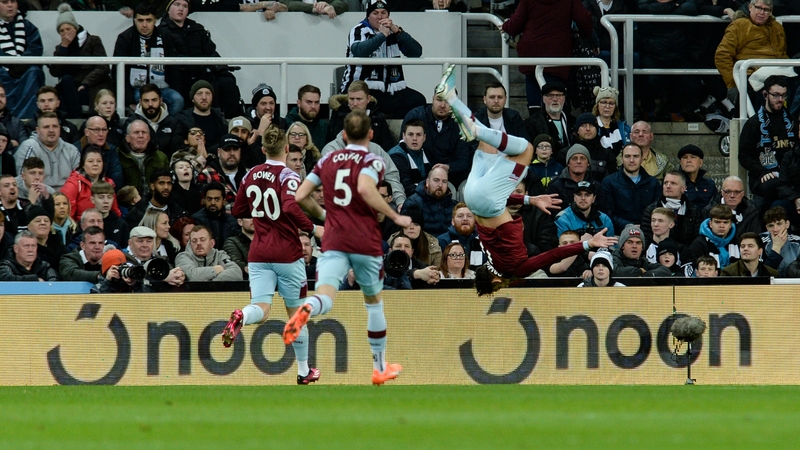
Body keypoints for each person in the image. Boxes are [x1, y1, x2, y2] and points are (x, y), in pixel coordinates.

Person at [433, 65, 617, 295]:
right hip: (473, 199)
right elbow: (500, 201)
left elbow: (552, 255)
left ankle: (474, 127)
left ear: (496, 281)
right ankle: (451, 97)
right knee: (488, 143)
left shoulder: (514, 270)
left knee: (526, 149)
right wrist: (530, 199)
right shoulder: (488, 256)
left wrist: (588, 244)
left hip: (488, 202)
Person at [284, 110, 412, 385]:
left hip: (334, 237)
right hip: (364, 239)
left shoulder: (327, 160)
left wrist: (324, 216)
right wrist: (394, 215)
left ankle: (307, 308)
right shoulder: (373, 160)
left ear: (343, 135)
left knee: (326, 297)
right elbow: (365, 188)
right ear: (371, 134)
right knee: (374, 304)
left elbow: (300, 195)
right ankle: (379, 368)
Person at [222, 126, 324, 385]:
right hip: (287, 253)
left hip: (258, 252)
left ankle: (242, 316)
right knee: (297, 315)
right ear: (287, 148)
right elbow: (289, 206)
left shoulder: (250, 174)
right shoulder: (289, 176)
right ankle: (303, 371)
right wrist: (313, 228)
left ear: (263, 149)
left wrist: (261, 214)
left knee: (261, 308)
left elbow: (237, 210)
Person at [341, 0, 426, 119]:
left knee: (418, 101)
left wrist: (398, 32)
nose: (380, 17)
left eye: (383, 13)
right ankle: (382, 118)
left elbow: (416, 52)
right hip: (362, 88)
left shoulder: (394, 32)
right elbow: (359, 51)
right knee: (369, 104)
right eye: (375, 13)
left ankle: (389, 121)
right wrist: (382, 36)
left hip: (390, 89)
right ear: (368, 15)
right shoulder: (359, 30)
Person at [500, 0, 592, 111]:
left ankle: (535, 118)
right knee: (555, 94)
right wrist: (586, 36)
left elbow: (516, 23)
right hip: (558, 52)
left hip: (532, 51)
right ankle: (555, 118)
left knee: (533, 92)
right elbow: (584, 19)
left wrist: (506, 26)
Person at [157, 0, 242, 119]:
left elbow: (211, 51)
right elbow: (171, 56)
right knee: (204, 85)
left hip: (203, 71)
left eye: (185, 6)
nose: (181, 9)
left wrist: (221, 68)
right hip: (179, 75)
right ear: (168, 8)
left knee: (227, 82)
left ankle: (230, 121)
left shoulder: (197, 28)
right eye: (177, 5)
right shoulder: (161, 31)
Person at [113, 3, 185, 115]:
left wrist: (176, 89)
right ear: (134, 20)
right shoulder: (125, 38)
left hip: (162, 87)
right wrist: (129, 100)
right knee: (143, 102)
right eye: (140, 20)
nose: (144, 25)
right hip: (137, 89)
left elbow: (174, 68)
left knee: (178, 100)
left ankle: (164, 123)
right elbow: (117, 71)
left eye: (149, 20)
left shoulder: (166, 36)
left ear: (155, 20)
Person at [739, 75, 797, 211]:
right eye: (775, 95)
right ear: (765, 94)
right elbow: (744, 156)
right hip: (764, 174)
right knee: (771, 185)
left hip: (789, 174)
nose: (780, 99)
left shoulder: (792, 121)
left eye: (783, 95)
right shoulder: (753, 123)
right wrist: (761, 171)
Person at [715, 0, 787, 109]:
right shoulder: (739, 25)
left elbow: (783, 54)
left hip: (778, 72)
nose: (762, 12)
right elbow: (722, 56)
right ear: (750, 7)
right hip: (751, 74)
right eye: (758, 8)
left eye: (766, 10)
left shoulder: (777, 27)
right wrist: (732, 84)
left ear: (771, 11)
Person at [47, 4, 112, 119]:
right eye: (62, 31)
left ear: (75, 28)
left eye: (68, 29)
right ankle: (76, 119)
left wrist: (85, 83)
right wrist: (64, 48)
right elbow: (54, 72)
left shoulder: (93, 40)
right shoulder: (60, 48)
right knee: (66, 81)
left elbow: (103, 67)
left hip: (93, 83)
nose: (65, 33)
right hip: (71, 85)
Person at [403, 88, 473, 188]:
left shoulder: (461, 123)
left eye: (448, 101)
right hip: (417, 176)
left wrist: (448, 167)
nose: (443, 105)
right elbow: (403, 148)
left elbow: (463, 159)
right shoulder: (415, 116)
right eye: (439, 100)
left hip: (449, 178)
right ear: (433, 99)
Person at [598, 143, 661, 232]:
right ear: (622, 158)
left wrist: (644, 227)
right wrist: (630, 226)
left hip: (648, 232)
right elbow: (607, 213)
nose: (631, 160)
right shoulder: (609, 182)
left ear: (642, 159)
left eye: (635, 156)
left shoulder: (653, 183)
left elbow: (657, 211)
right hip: (619, 233)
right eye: (627, 156)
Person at [0, 0, 44, 120]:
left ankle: (28, 119)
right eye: (5, 2)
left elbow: (35, 48)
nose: (10, 5)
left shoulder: (28, 27)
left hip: (25, 70)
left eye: (13, 1)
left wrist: (21, 65)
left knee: (34, 72)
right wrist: (12, 63)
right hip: (3, 70)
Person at [15, 112, 80, 191]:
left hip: (68, 195)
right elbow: (24, 181)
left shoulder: (71, 150)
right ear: (38, 130)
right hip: (39, 195)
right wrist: (51, 195)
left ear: (60, 128)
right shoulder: (29, 147)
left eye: (55, 126)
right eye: (46, 127)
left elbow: (80, 179)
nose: (51, 130)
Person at [640, 170, 703, 247]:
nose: (668, 186)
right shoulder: (651, 210)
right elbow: (646, 237)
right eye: (665, 183)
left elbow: (696, 239)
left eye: (673, 183)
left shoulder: (693, 211)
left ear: (683, 188)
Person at [328, 80, 394, 152]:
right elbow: (332, 142)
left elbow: (387, 144)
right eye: (351, 99)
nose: (355, 103)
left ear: (368, 99)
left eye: (359, 99)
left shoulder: (378, 117)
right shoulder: (339, 115)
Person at [61, 145, 121, 221]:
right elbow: (67, 216)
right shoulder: (73, 184)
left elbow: (115, 212)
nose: (95, 164)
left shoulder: (108, 183)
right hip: (81, 225)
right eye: (90, 161)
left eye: (99, 161)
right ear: (83, 165)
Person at [126, 84, 186, 158]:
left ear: (160, 100)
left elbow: (178, 152)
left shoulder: (174, 124)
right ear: (140, 102)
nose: (150, 104)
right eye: (146, 101)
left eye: (154, 100)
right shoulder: (131, 123)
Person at [556, 112, 616, 182]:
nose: (588, 129)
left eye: (591, 125)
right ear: (577, 130)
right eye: (583, 125)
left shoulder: (607, 154)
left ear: (596, 129)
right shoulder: (565, 154)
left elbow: (611, 181)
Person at [400, 166, 457, 237]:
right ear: (427, 182)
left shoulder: (454, 205)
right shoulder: (413, 203)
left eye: (444, 181)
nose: (440, 185)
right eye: (436, 180)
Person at [118, 119, 169, 198]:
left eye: (144, 132)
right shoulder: (118, 155)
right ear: (127, 138)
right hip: (127, 202)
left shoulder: (161, 157)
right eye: (136, 132)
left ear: (149, 137)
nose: (141, 136)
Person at [685, 204, 741, 271]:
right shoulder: (698, 245)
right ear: (710, 224)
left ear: (730, 224)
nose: (721, 226)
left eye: (725, 222)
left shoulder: (739, 243)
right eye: (717, 222)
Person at [176, 224, 242, 281]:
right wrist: (216, 269)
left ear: (211, 243)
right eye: (194, 241)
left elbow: (236, 273)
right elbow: (193, 276)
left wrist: (211, 283)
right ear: (190, 244)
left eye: (202, 240)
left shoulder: (220, 255)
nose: (198, 243)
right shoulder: (183, 257)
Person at [196, 134, 247, 205]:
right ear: (219, 152)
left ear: (240, 152)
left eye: (235, 149)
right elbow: (203, 204)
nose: (232, 153)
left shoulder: (249, 174)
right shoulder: (206, 174)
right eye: (227, 149)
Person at [174, 80, 228, 149]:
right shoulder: (182, 120)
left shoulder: (221, 120)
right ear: (192, 98)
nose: (204, 97)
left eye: (208, 93)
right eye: (199, 94)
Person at [77, 115, 123, 190]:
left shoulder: (111, 150)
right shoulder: (75, 150)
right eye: (96, 130)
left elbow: (117, 178)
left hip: (107, 192)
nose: (101, 134)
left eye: (104, 130)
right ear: (86, 132)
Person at [523, 82, 575, 149]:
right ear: (543, 99)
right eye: (550, 96)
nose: (555, 99)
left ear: (564, 98)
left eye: (559, 95)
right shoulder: (532, 123)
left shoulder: (572, 121)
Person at [436, 202, 483, 270]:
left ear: (475, 221)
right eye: (460, 216)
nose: (465, 219)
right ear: (453, 221)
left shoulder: (483, 241)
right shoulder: (442, 241)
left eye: (469, 216)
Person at [545, 144, 595, 208]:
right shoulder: (555, 186)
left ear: (588, 163)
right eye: (574, 158)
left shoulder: (595, 186)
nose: (579, 161)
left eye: (582, 158)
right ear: (568, 163)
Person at [192, 182, 238, 250]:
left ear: (224, 200)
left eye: (217, 199)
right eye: (209, 199)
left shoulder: (232, 221)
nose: (213, 203)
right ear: (204, 200)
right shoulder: (196, 220)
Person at [285, 85, 329, 150]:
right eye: (309, 102)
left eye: (316, 102)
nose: (313, 106)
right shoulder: (286, 124)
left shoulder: (324, 127)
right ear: (299, 103)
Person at [759, 206, 800, 276]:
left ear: (787, 224)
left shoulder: (797, 242)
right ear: (767, 228)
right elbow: (763, 274)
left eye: (779, 224)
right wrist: (776, 248)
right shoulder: (760, 241)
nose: (775, 229)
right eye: (771, 226)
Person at [26, 205, 65, 274]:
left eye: (46, 221)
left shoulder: (58, 244)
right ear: (29, 226)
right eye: (38, 221)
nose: (43, 223)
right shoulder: (24, 247)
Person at [592, 86, 629, 158]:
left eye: (611, 103)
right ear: (597, 105)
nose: (607, 106)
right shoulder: (591, 127)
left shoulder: (624, 128)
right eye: (603, 102)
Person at [678, 144, 718, 209]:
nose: (688, 161)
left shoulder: (709, 184)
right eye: (685, 157)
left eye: (693, 157)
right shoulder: (674, 183)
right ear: (681, 163)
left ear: (700, 162)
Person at [0, 85, 28, 149]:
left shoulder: (17, 123)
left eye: (2, 96)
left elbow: (25, 147)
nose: (0, 99)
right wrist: (10, 144)